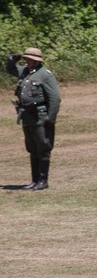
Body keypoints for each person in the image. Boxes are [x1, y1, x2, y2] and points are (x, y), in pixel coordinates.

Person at [5, 48, 61, 190]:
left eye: (30, 59)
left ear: (37, 61)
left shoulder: (45, 75)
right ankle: (34, 180)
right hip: (27, 116)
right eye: (26, 59)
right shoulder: (25, 71)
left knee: (43, 147)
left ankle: (43, 180)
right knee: (32, 148)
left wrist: (50, 118)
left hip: (40, 116)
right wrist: (12, 58)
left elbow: (54, 98)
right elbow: (10, 69)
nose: (27, 62)